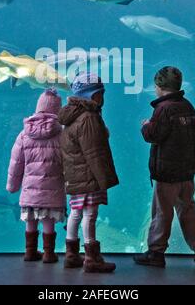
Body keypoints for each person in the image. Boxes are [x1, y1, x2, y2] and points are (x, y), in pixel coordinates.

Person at [134, 66, 195, 268]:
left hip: (167, 175)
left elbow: (154, 135)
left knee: (162, 212)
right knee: (188, 210)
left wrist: (145, 126)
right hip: (186, 173)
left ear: (159, 86)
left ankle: (156, 252)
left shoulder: (163, 109)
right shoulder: (188, 106)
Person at [59, 72, 119, 273]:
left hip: (75, 175)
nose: (103, 97)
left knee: (75, 213)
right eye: (100, 93)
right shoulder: (89, 117)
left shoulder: (71, 116)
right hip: (89, 175)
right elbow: (95, 152)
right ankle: (91, 258)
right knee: (90, 214)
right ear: (90, 95)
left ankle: (71, 255)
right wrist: (104, 179)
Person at [6, 89, 66, 263]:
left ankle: (30, 251)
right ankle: (48, 254)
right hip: (53, 190)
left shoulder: (24, 134)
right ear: (58, 110)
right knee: (48, 220)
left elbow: (15, 163)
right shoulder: (61, 133)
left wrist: (12, 186)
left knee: (30, 220)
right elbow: (68, 161)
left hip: (30, 190)